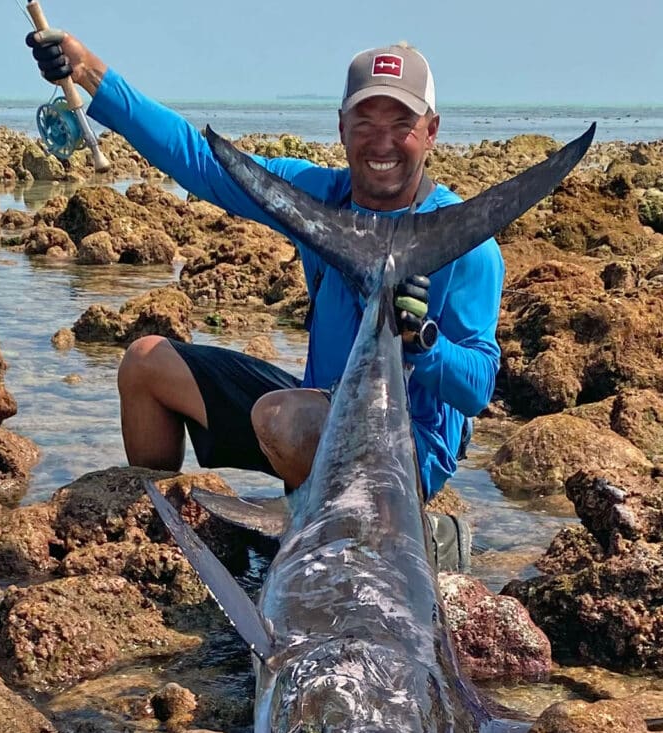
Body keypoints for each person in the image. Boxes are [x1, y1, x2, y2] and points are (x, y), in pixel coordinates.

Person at [27, 34, 505, 570]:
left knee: (284, 417)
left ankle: (418, 532)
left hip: (401, 450)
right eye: (365, 122)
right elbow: (199, 161)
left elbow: (477, 387)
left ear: (431, 131)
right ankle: (166, 540)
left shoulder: (467, 247)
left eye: (402, 124)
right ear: (341, 127)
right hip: (314, 408)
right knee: (145, 364)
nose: (382, 142)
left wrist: (423, 344)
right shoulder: (316, 199)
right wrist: (90, 71)